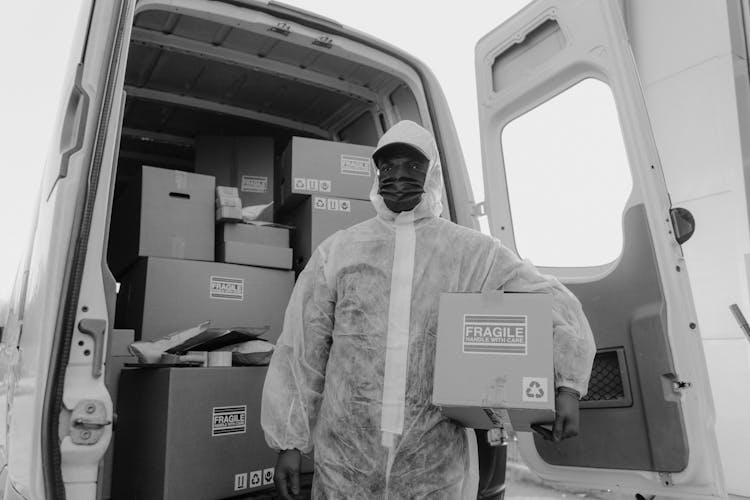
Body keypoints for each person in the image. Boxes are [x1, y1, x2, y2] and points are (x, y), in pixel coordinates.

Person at [261, 120, 596, 499]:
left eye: (412, 165)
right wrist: (288, 443)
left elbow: (550, 299)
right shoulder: (338, 252)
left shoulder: (470, 252)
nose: (398, 176)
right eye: (387, 167)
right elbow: (302, 349)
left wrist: (568, 385)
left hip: (433, 466)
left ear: (431, 173)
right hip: (346, 462)